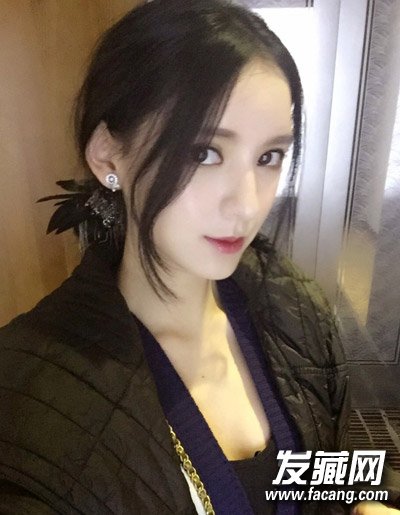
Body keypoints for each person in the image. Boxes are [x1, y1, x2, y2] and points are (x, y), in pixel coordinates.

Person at [0, 0, 399, 513]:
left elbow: (321, 473)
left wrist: (365, 501)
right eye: (204, 153)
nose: (248, 205)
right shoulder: (27, 399)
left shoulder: (294, 306)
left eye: (269, 157)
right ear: (107, 154)